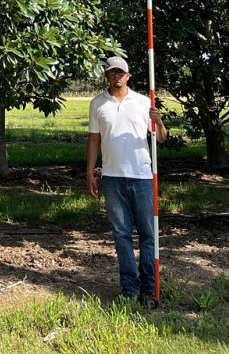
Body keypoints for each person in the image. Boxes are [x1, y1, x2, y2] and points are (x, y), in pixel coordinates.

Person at [86, 56, 168, 307]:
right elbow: (94, 141)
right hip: (112, 177)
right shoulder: (98, 103)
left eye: (121, 72)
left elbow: (161, 139)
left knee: (147, 234)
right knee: (121, 234)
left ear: (128, 76)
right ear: (107, 75)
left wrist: (159, 121)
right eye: (112, 72)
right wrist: (90, 172)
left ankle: (149, 288)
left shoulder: (144, 103)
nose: (117, 76)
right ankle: (129, 288)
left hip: (142, 176)